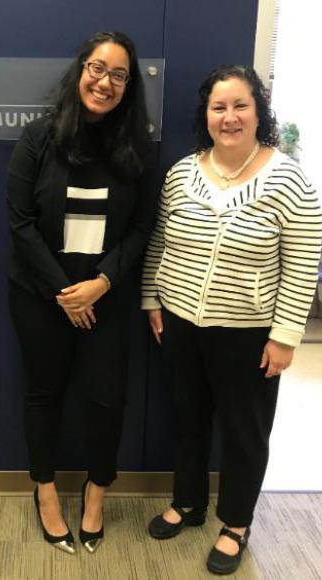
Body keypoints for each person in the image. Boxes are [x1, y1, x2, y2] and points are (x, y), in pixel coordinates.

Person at [141, 65, 322, 575]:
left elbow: (303, 262)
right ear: (206, 115)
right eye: (218, 107)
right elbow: (159, 242)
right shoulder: (182, 173)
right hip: (179, 323)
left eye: (240, 105)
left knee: (245, 431)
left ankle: (236, 522)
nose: (229, 116)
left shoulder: (288, 178)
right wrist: (150, 299)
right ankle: (189, 502)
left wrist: (286, 337)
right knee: (188, 420)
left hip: (248, 334)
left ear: (258, 111)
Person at [7, 31, 157, 554]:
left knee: (106, 399)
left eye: (119, 74)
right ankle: (45, 493)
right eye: (98, 68)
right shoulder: (39, 136)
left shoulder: (137, 147)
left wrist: (101, 284)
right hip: (38, 296)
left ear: (129, 86)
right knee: (43, 395)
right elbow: (21, 222)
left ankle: (96, 494)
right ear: (80, 70)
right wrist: (64, 292)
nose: (106, 81)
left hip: (108, 300)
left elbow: (143, 228)